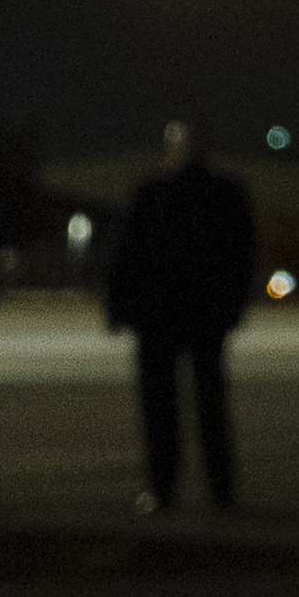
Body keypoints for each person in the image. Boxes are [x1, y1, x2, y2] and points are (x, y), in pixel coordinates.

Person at [103, 120, 252, 515]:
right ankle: (218, 491)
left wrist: (117, 308)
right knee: (206, 406)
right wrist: (234, 307)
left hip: (160, 315)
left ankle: (165, 488)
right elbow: (242, 255)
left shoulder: (153, 192)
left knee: (164, 408)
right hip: (199, 314)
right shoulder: (224, 193)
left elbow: (126, 255)